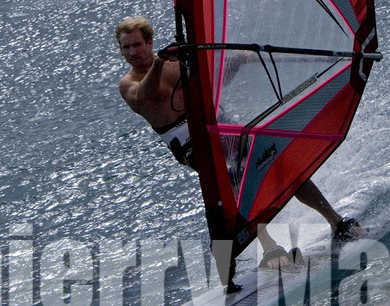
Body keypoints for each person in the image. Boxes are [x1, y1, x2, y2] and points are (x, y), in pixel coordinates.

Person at [115, 15, 365, 268]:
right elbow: (142, 96)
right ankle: (270, 248)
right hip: (194, 145)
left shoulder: (175, 63)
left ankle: (337, 223)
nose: (132, 52)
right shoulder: (129, 84)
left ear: (149, 42)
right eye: (126, 47)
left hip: (221, 126)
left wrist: (235, 64)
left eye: (136, 45)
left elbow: (212, 87)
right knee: (236, 181)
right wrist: (159, 63)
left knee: (281, 163)